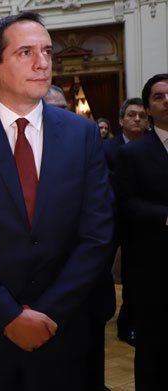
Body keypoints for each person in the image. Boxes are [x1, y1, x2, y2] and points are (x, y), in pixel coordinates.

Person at [0, 12, 114, 391]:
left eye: (47, 51)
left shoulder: (82, 134)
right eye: (26, 52)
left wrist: (50, 311)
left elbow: (97, 232)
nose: (43, 62)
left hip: (64, 328)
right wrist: (7, 315)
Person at [114, 73, 168, 391]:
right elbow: (124, 204)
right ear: (148, 107)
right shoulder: (133, 153)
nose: (166, 100)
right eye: (159, 96)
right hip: (153, 262)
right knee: (154, 344)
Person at [103, 97, 149, 348]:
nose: (137, 119)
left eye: (142, 116)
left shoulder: (152, 148)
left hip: (140, 223)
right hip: (110, 223)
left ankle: (129, 323)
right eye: (132, 115)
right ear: (121, 120)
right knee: (103, 271)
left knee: (134, 275)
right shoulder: (107, 149)